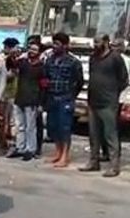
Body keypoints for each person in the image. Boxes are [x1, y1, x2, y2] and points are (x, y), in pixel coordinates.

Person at [79, 35, 128, 177]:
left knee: (110, 134)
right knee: (94, 135)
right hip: (93, 101)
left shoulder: (115, 58)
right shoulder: (93, 57)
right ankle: (93, 162)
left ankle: (114, 166)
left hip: (108, 102)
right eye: (94, 42)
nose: (95, 45)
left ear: (106, 42)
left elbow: (124, 79)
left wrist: (113, 92)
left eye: (98, 42)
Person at [44, 32, 85, 168]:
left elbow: (79, 82)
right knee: (52, 127)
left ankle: (65, 156)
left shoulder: (73, 62)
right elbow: (46, 77)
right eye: (53, 43)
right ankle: (57, 152)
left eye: (58, 44)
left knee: (64, 127)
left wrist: (71, 95)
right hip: (51, 97)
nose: (54, 46)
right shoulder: (49, 59)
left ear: (65, 45)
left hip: (65, 99)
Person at [10, 43, 45, 160]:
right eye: (30, 49)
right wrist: (12, 55)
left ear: (39, 52)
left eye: (35, 50)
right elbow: (11, 65)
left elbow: (44, 86)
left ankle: (30, 149)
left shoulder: (41, 67)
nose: (32, 51)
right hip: (19, 98)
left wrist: (41, 103)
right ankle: (21, 147)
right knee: (20, 125)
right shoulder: (23, 63)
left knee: (30, 127)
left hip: (32, 100)